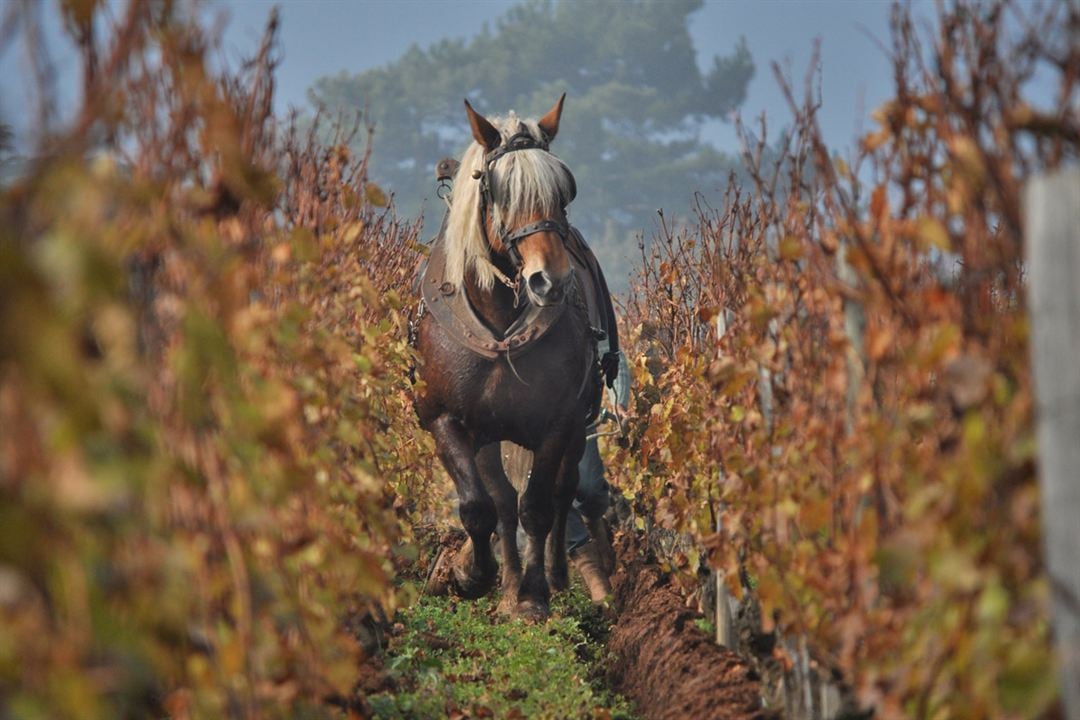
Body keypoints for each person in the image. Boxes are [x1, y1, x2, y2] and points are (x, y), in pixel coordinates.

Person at [565, 344, 630, 602]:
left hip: (577, 414)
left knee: (590, 489)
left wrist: (619, 404)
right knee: (549, 491)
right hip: (532, 418)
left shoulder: (577, 305)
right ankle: (592, 572)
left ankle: (595, 521)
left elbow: (612, 355)